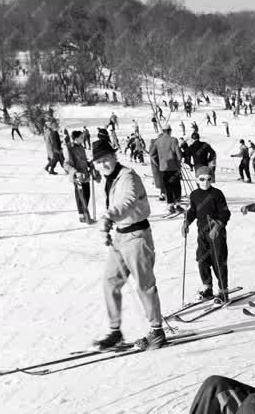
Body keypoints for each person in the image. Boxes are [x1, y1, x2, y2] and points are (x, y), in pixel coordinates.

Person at [92, 139, 165, 351]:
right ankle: (115, 331)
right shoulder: (109, 179)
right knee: (110, 281)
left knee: (144, 284)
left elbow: (128, 202)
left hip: (137, 235)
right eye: (99, 161)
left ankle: (157, 331)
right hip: (121, 236)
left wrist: (109, 217)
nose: (104, 164)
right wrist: (109, 227)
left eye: (106, 159)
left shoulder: (128, 177)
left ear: (115, 156)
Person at [182, 170, 231, 301]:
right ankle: (207, 288)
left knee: (218, 260)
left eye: (209, 179)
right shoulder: (194, 194)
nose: (206, 182)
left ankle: (223, 291)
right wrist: (186, 222)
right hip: (202, 232)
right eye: (202, 179)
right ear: (197, 179)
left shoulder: (217, 193)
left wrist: (217, 227)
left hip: (216, 232)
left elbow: (225, 213)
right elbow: (192, 211)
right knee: (202, 260)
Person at [64, 130, 101, 223]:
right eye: (81, 137)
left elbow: (82, 161)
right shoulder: (69, 148)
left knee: (87, 194)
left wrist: (89, 164)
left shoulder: (81, 147)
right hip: (78, 177)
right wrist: (75, 173)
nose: (83, 138)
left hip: (85, 175)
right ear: (76, 138)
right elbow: (66, 164)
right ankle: (83, 216)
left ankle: (85, 214)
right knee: (81, 196)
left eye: (83, 137)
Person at [150, 124, 183, 215]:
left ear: (163, 131)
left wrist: (158, 164)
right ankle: (178, 205)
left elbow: (152, 154)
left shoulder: (157, 141)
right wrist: (179, 163)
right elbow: (179, 155)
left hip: (164, 168)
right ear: (169, 130)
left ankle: (170, 206)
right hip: (174, 167)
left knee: (168, 187)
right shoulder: (174, 140)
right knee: (176, 186)